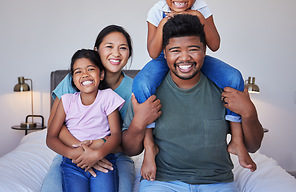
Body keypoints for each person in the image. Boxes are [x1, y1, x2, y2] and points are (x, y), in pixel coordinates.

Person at [132, 0, 256, 181]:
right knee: (140, 83)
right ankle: (150, 146)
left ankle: (236, 140)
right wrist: (163, 23)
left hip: (198, 57)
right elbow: (152, 52)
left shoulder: (201, 8)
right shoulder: (156, 11)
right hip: (164, 59)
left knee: (234, 76)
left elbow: (215, 45)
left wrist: (199, 17)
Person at [123, 14, 264, 192]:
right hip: (162, 181)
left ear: (204, 50)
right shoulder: (148, 91)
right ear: (164, 53)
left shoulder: (225, 88)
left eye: (193, 49)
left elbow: (253, 146)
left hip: (217, 181)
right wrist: (139, 123)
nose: (185, 58)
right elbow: (129, 150)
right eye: (175, 51)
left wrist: (250, 113)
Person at [42, 25, 159, 192]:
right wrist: (83, 151)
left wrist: (99, 149)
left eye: (123, 48)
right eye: (109, 46)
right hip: (72, 153)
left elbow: (129, 146)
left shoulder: (133, 89)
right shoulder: (74, 79)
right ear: (96, 50)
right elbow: (55, 125)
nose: (116, 53)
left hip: (114, 155)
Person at [47, 49, 124, 191]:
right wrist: (74, 154)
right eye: (78, 71)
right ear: (73, 79)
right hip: (73, 162)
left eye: (90, 69)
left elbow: (116, 135)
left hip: (104, 158)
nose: (85, 75)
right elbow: (51, 138)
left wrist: (97, 154)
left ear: (101, 74)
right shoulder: (66, 101)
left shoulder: (108, 97)